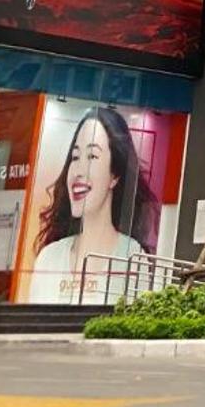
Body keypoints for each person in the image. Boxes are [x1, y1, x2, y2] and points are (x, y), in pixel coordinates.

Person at [26, 106, 158, 305]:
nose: (78, 171)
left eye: (92, 156)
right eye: (75, 157)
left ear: (115, 175)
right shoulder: (49, 257)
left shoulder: (132, 257)